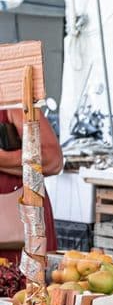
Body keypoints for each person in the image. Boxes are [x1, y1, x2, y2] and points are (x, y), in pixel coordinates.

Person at [0, 108, 63, 264]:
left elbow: (52, 160)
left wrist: (3, 159)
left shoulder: (13, 103)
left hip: (16, 225)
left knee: (19, 283)